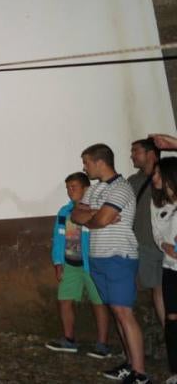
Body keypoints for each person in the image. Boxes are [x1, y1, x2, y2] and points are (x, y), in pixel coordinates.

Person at [71, 143, 149, 383]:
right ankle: (129, 363)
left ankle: (140, 373)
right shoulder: (94, 190)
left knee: (124, 312)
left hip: (118, 255)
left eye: (86, 162)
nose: (84, 167)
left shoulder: (121, 188)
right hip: (98, 256)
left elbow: (101, 219)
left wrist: (94, 216)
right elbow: (76, 215)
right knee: (116, 312)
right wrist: (97, 216)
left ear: (99, 162)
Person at [45, 172, 111, 357]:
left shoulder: (95, 211)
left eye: (73, 187)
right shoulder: (64, 212)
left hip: (91, 265)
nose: (69, 191)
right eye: (67, 187)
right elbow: (58, 238)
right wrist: (58, 262)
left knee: (99, 303)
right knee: (64, 300)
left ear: (85, 188)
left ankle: (103, 344)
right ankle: (69, 340)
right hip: (70, 263)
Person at [129, 138, 165, 326]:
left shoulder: (170, 174)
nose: (132, 155)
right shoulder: (133, 181)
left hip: (170, 245)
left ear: (151, 154)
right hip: (146, 245)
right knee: (157, 289)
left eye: (136, 151)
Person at [150, 157, 177, 384]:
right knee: (172, 318)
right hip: (170, 267)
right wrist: (164, 245)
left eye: (158, 173)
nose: (154, 177)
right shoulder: (157, 203)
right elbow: (158, 234)